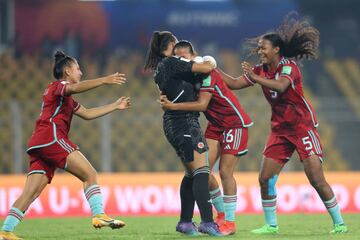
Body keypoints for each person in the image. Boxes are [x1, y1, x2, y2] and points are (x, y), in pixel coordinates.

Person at [220, 13, 348, 234]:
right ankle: (271, 225)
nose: (260, 52)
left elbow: (281, 87)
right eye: (259, 48)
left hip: (302, 127)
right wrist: (210, 69)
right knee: (265, 178)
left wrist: (255, 77)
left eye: (263, 48)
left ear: (276, 50)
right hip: (280, 130)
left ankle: (339, 223)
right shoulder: (260, 71)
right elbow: (232, 83)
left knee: (316, 178)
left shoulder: (288, 67)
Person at [0, 51, 131, 240]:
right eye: (78, 69)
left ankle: (5, 231)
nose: (81, 72)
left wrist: (114, 106)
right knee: (90, 174)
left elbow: (87, 114)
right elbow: (74, 88)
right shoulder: (59, 86)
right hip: (51, 137)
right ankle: (99, 214)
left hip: (39, 143)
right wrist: (105, 80)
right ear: (67, 71)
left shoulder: (65, 98)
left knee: (31, 192)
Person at [159, 40, 253, 235]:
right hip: (216, 125)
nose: (181, 60)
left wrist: (172, 107)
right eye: (178, 57)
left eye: (185, 57)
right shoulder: (192, 76)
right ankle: (219, 215)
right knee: (203, 172)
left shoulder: (207, 74)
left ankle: (230, 222)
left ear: (194, 56)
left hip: (233, 123)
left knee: (225, 172)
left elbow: (202, 105)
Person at [144, 32, 222, 237]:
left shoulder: (160, 68)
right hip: (185, 122)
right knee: (202, 171)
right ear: (171, 44)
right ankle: (207, 221)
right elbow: (207, 67)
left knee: (191, 174)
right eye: (176, 43)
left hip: (173, 124)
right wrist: (206, 59)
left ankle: (186, 222)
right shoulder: (172, 62)